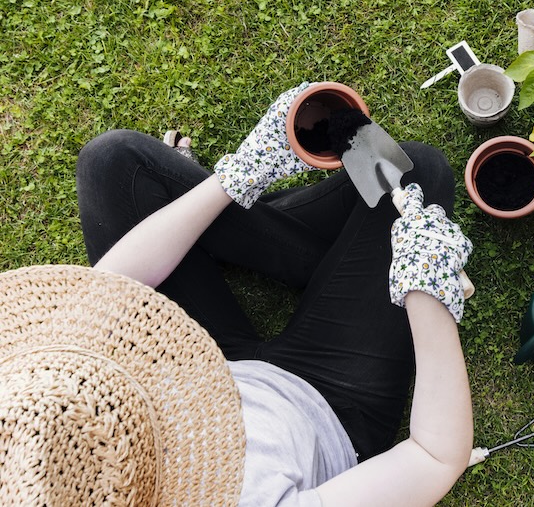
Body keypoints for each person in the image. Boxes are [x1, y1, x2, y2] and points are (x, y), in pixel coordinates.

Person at [3, 82, 473, 505]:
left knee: (115, 163)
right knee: (415, 173)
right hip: (332, 403)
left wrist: (236, 177)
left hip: (198, 361)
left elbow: (109, 289)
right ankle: (312, 259)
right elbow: (433, 457)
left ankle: (279, 250)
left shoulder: (37, 415)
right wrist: (426, 288)